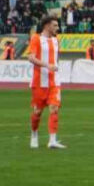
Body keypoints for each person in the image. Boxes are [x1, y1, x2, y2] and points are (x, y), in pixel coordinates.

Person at [27, 16, 66, 149]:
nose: (57, 28)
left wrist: (54, 68)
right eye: (55, 25)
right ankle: (34, 134)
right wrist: (47, 65)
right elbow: (31, 58)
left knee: (54, 108)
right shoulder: (36, 38)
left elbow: (56, 59)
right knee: (37, 112)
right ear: (47, 26)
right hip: (39, 82)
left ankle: (52, 140)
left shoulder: (56, 40)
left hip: (54, 81)